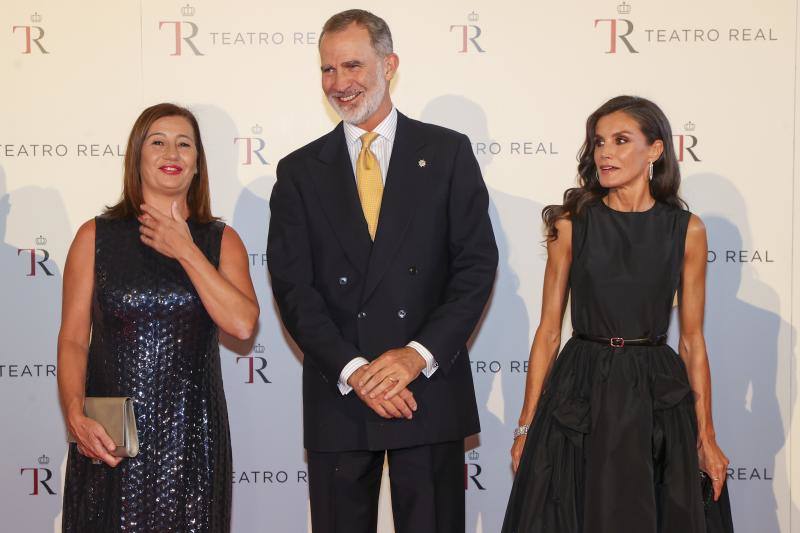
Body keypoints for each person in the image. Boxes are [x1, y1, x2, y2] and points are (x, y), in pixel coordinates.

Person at [267, 9, 497, 533]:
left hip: (427, 392)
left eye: (352, 66)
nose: (339, 83)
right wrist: (356, 371)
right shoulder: (299, 172)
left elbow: (476, 267)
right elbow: (293, 288)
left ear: (388, 64)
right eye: (328, 70)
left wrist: (414, 357)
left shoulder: (446, 152)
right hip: (341, 394)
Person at [502, 95, 733, 532]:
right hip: (582, 386)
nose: (604, 152)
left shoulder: (687, 230)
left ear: (656, 150)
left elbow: (692, 341)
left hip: (654, 390)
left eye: (621, 140)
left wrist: (706, 437)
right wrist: (525, 426)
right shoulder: (572, 225)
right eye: (599, 142)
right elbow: (549, 332)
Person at [58, 103, 259, 532]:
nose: (172, 152)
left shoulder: (221, 241)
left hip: (193, 444)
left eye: (184, 144)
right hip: (110, 442)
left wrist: (185, 249)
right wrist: (75, 413)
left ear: (197, 165)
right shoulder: (95, 237)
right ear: (137, 157)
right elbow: (74, 339)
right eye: (158, 142)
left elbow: (242, 325)